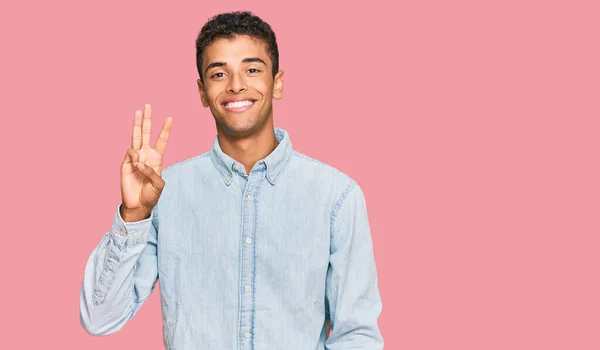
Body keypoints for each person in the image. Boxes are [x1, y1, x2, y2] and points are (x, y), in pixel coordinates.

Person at [79, 11, 383, 349]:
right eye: (219, 73)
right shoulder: (164, 194)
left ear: (277, 83)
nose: (236, 84)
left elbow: (357, 335)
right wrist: (134, 215)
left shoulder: (337, 196)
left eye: (252, 70)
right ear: (202, 92)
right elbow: (99, 318)